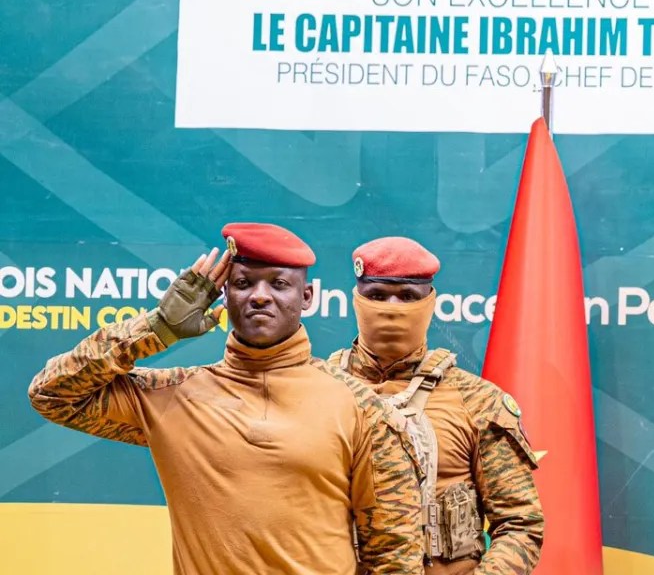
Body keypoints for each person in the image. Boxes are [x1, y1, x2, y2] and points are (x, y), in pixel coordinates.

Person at [26, 223, 424, 574]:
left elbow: (395, 551)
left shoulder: (360, 408)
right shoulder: (173, 396)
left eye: (278, 284)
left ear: (307, 296)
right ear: (223, 294)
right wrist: (157, 328)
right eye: (244, 283)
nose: (260, 296)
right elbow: (52, 394)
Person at [325, 236, 544, 574]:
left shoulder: (477, 401)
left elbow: (520, 523)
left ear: (430, 302)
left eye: (408, 296)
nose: (392, 308)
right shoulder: (316, 389)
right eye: (377, 295)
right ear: (356, 299)